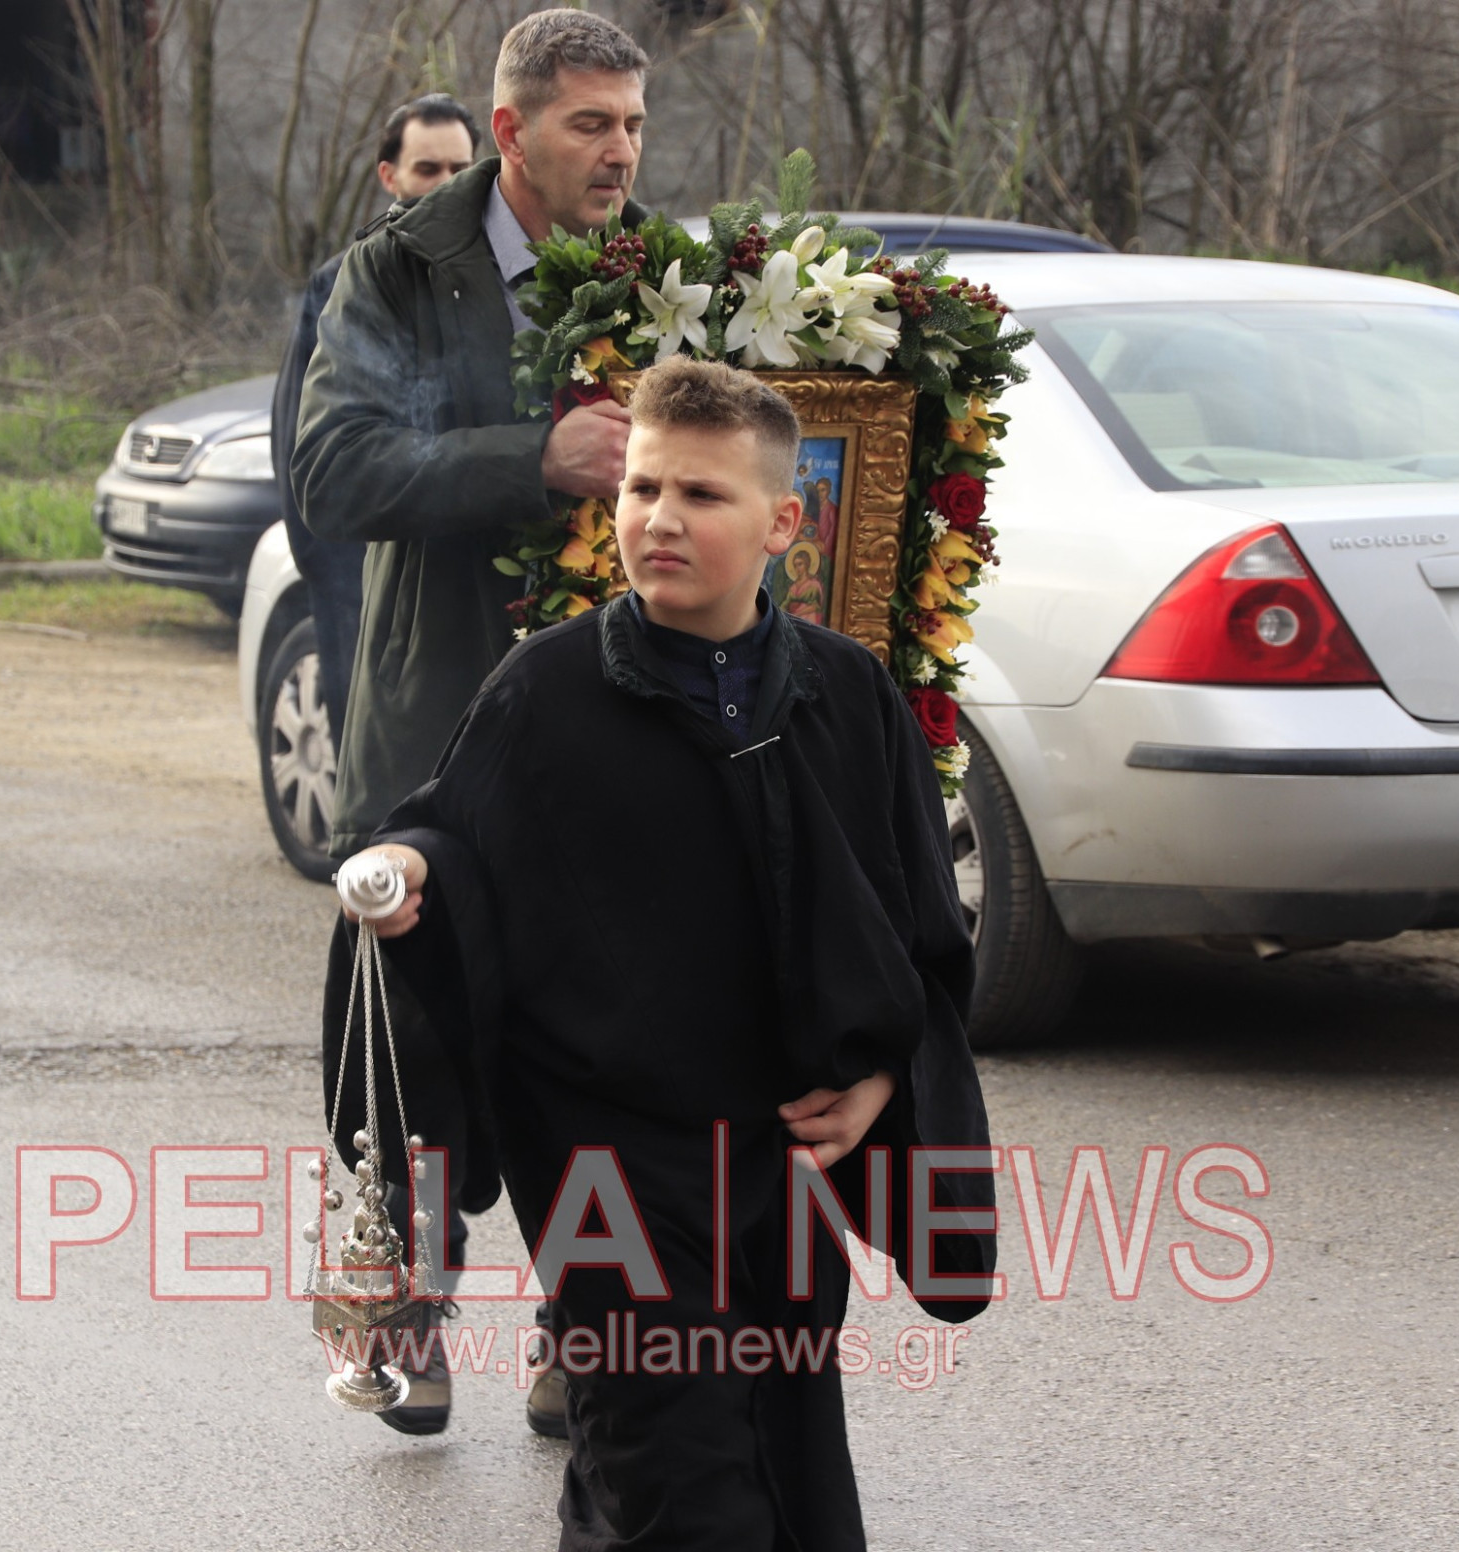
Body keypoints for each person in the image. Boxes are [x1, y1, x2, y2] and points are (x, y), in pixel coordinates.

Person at [327, 357, 999, 1551]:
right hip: (606, 1162)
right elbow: (450, 831)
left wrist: (884, 1078)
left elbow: (920, 941)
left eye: (699, 494)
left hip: (782, 1164)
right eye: (641, 488)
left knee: (777, 1459)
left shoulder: (845, 697)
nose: (657, 520)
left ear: (784, 524)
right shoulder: (548, 692)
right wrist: (415, 875)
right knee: (677, 1473)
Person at [291, 9, 655, 1439]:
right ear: (511, 132)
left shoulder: (664, 272)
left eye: (631, 123)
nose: (619, 150)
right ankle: (410, 1321)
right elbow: (334, 468)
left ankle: (590, 1328)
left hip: (614, 723)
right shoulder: (395, 271)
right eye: (589, 123)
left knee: (605, 1038)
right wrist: (532, 459)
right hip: (440, 721)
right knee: (423, 1038)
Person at [268, 93, 480, 748]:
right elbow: (302, 453)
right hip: (365, 577)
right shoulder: (345, 285)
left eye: (460, 169)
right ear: (389, 177)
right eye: (427, 170)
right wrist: (343, 587)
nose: (446, 186)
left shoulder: (493, 282)